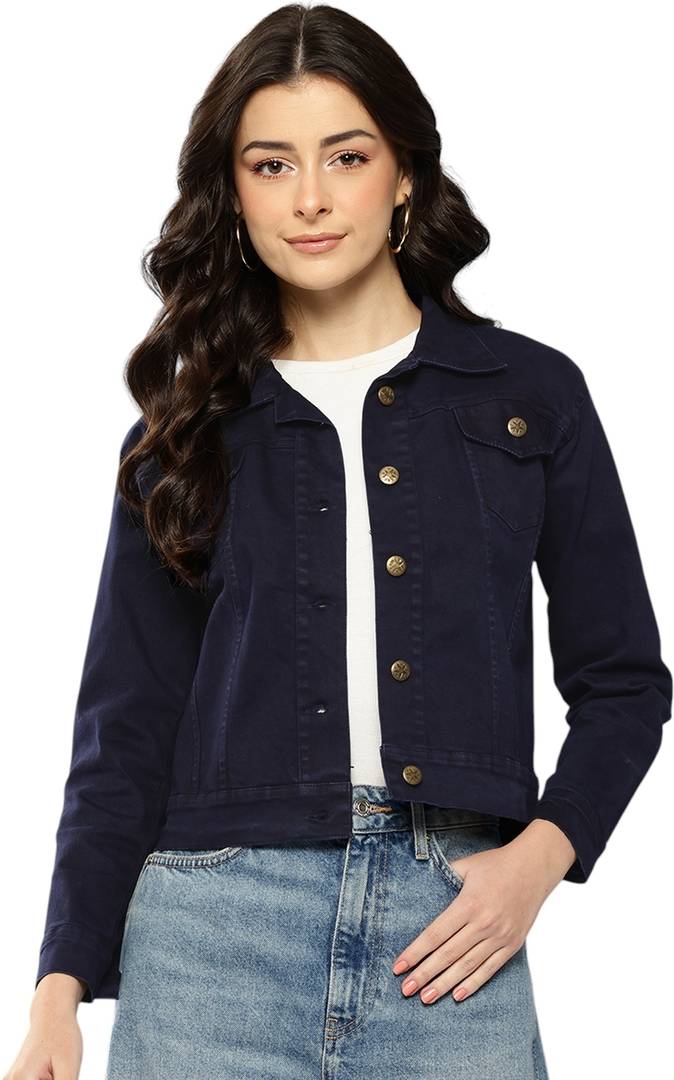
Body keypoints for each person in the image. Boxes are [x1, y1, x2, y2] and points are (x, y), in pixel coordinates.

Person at [5, 4, 671, 1079]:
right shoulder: (182, 431)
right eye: (271, 164)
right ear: (233, 191)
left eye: (346, 157)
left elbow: (624, 682)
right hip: (207, 946)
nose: (308, 198)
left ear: (403, 174)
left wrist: (537, 862)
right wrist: (59, 989)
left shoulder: (529, 396)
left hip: (452, 933)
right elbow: (123, 728)